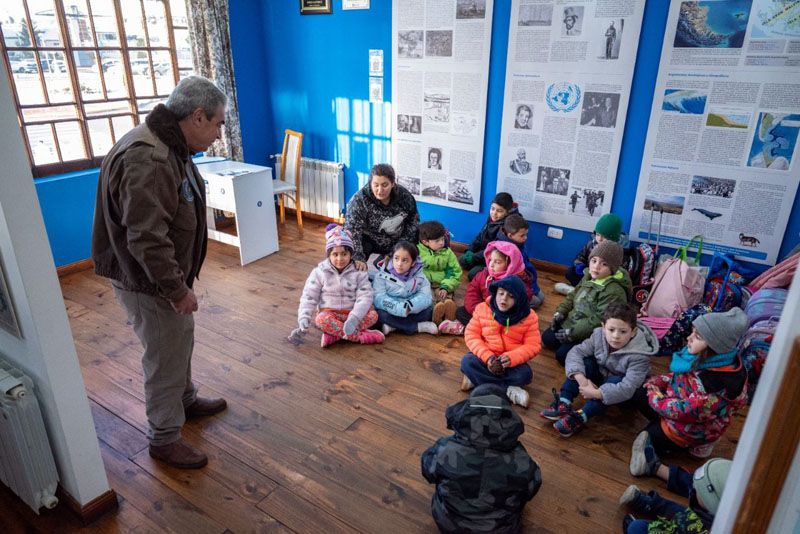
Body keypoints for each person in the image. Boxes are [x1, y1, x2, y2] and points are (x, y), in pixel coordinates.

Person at [92, 76, 228, 469]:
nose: (220, 133)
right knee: (164, 353)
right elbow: (147, 240)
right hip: (149, 282)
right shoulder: (148, 158)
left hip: (162, 277)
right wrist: (175, 289)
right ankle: (164, 437)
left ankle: (184, 400)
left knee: (178, 338)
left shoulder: (170, 143)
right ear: (198, 116)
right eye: (219, 123)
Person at [629, 308, 749, 462]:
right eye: (692, 332)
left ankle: (698, 443)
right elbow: (680, 378)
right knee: (640, 392)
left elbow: (682, 411)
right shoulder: (709, 358)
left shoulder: (713, 385)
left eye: (697, 336)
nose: (689, 338)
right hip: (679, 402)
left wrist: (655, 396)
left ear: (715, 346)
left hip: (691, 426)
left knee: (647, 439)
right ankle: (661, 424)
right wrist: (658, 381)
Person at [421, 383, 542, 534]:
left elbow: (427, 471)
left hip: (451, 526)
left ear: (467, 411)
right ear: (507, 416)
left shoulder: (444, 449)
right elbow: (531, 489)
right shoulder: (521, 460)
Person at [540, 303, 657, 437]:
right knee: (584, 363)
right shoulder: (598, 335)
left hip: (624, 393)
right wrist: (581, 379)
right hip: (603, 375)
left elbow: (628, 387)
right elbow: (576, 352)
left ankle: (580, 417)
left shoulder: (640, 356)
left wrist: (597, 393)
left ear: (633, 332)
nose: (616, 336)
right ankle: (563, 402)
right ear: (603, 327)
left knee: (614, 381)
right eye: (611, 329)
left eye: (623, 331)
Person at [293, 224, 384, 348]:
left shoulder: (359, 271)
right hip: (330, 314)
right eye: (335, 254)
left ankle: (334, 335)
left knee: (373, 315)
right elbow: (309, 296)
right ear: (329, 255)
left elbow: (366, 296)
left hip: (352, 315)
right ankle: (360, 337)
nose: (340, 258)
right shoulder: (319, 272)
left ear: (351, 254)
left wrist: (355, 317)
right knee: (320, 320)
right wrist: (304, 316)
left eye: (344, 254)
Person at [543, 240, 631, 366]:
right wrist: (560, 312)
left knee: (562, 356)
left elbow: (599, 320)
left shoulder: (614, 291)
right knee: (547, 338)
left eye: (604, 264)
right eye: (594, 261)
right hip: (574, 321)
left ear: (612, 268)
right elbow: (573, 295)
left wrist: (573, 333)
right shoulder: (588, 276)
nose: (596, 266)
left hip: (590, 333)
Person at [460, 276, 541, 407]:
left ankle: (477, 381)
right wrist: (488, 358)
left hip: (510, 363)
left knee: (525, 374)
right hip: (487, 357)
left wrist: (511, 358)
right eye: (501, 293)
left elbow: (534, 345)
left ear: (519, 299)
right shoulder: (482, 308)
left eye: (510, 296)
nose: (504, 299)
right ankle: (508, 390)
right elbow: (471, 334)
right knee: (467, 362)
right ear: (495, 293)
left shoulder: (529, 317)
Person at [441, 241, 532, 335]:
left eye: (497, 262)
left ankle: (468, 330)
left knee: (513, 328)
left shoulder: (517, 281)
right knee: (461, 312)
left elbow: (522, 303)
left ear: (510, 264)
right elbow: (472, 291)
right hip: (484, 313)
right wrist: (478, 310)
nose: (491, 265)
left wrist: (497, 315)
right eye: (490, 260)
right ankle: (484, 332)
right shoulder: (485, 273)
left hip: (503, 318)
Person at [620, 458, 731, 533]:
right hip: (700, 524)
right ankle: (652, 504)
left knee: (636, 528)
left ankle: (649, 507)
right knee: (686, 514)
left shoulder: (690, 526)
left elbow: (667, 529)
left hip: (687, 528)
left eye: (699, 490)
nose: (695, 489)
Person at [344, 163, 420, 269]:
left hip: (398, 240)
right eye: (376, 185)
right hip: (370, 241)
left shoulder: (404, 196)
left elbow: (413, 220)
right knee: (352, 263)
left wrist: (398, 249)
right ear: (371, 183)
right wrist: (358, 257)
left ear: (393, 183)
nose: (380, 190)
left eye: (385, 185)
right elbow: (352, 229)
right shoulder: (359, 200)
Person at [373, 240, 438, 336]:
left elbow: (426, 296)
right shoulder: (381, 275)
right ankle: (417, 327)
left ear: (412, 263)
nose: (399, 264)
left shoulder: (420, 276)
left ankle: (394, 326)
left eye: (405, 260)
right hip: (392, 309)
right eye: (396, 258)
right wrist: (398, 308)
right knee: (379, 314)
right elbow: (378, 298)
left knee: (428, 311)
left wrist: (410, 307)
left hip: (411, 309)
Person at [557, 212, 623, 291]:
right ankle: (581, 290)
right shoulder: (591, 244)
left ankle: (582, 291)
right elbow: (581, 256)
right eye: (598, 234)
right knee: (570, 272)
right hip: (588, 272)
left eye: (604, 237)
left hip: (603, 277)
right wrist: (579, 265)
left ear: (613, 238)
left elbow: (617, 271)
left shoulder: (617, 251)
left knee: (608, 286)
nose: (600, 239)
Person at [459, 192, 518, 280]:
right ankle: (479, 266)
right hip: (482, 254)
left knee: (472, 275)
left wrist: (474, 257)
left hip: (494, 258)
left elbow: (494, 249)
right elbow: (480, 236)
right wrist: (470, 250)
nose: (494, 213)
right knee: (462, 260)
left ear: (507, 212)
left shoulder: (506, 227)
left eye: (499, 211)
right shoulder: (492, 218)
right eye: (492, 208)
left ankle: (487, 270)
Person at [417, 221, 461, 324]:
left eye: (442, 239)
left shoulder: (447, 252)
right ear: (425, 242)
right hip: (424, 284)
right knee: (429, 299)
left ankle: (448, 309)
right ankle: (437, 314)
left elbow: (455, 271)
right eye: (437, 241)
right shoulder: (417, 251)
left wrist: (446, 286)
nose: (442, 242)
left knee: (444, 296)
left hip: (442, 284)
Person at [496, 214, 544, 309]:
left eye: (526, 234)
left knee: (541, 297)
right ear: (510, 235)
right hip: (514, 284)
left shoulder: (518, 243)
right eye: (522, 235)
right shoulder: (504, 251)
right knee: (537, 302)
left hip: (526, 278)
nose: (525, 238)